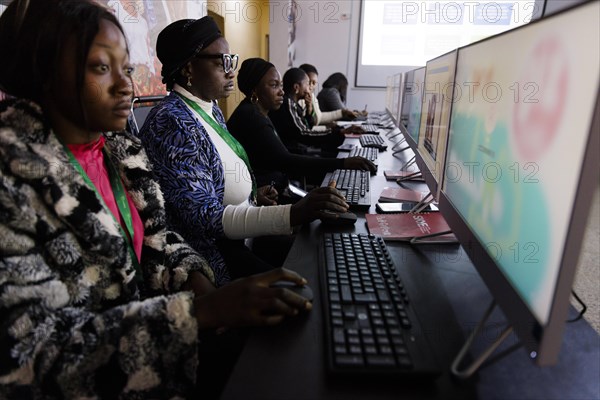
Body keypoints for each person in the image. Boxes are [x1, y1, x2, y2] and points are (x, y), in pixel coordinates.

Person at [0, 2, 312, 398]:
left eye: (127, 68)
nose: (125, 84)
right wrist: (198, 313)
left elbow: (157, 239)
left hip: (160, 344)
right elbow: (29, 356)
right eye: (101, 68)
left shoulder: (116, 148)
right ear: (45, 72)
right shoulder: (13, 176)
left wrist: (204, 289)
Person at [138, 17, 349, 286]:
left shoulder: (209, 109)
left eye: (232, 61)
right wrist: (294, 212)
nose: (231, 72)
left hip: (242, 238)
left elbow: (214, 180)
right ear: (189, 67)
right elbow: (203, 218)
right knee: (311, 284)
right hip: (213, 257)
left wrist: (251, 196)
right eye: (222, 62)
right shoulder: (171, 121)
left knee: (325, 256)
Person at [227, 58, 375, 196]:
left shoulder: (256, 111)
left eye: (281, 86)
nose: (281, 92)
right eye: (274, 85)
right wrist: (342, 163)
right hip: (266, 192)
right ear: (254, 90)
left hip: (272, 184)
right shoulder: (252, 117)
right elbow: (286, 160)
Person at [268, 67, 347, 157]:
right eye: (307, 83)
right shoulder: (288, 103)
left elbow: (307, 128)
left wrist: (309, 108)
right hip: (293, 154)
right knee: (335, 156)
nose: (310, 87)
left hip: (300, 150)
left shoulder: (293, 104)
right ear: (296, 88)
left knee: (335, 153)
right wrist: (338, 132)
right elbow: (304, 134)